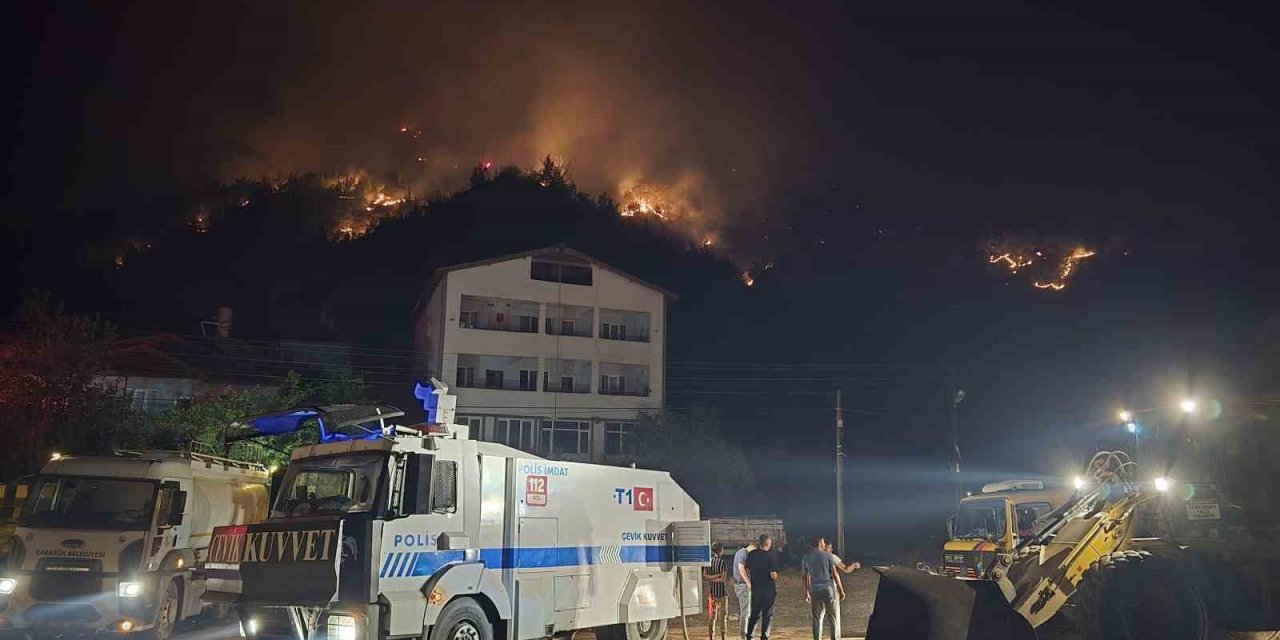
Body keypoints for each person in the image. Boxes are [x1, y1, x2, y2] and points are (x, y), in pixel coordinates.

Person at [803, 536, 844, 640]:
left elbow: (805, 576)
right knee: (832, 617)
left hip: (815, 590)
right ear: (820, 543)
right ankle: (834, 638)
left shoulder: (807, 557)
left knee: (817, 618)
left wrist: (807, 592)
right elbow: (835, 574)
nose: (824, 544)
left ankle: (817, 638)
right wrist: (841, 590)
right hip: (828, 589)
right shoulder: (828, 555)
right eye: (823, 543)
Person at [745, 534, 780, 640]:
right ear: (767, 543)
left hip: (756, 589)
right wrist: (776, 575)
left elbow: (747, 569)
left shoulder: (751, 554)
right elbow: (773, 575)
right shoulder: (771, 556)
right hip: (768, 590)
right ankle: (764, 636)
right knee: (767, 615)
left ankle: (750, 635)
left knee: (754, 614)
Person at [704, 543, 729, 640]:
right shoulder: (723, 563)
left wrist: (711, 578)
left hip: (712, 593)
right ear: (721, 550)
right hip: (722, 592)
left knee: (712, 617)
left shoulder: (709, 561)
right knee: (723, 617)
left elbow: (705, 576)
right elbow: (722, 579)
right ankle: (723, 637)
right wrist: (717, 576)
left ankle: (711, 637)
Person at [732, 540, 756, 639]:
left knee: (746, 611)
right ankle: (744, 636)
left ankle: (746, 634)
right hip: (742, 585)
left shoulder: (741, 553)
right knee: (746, 612)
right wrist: (748, 583)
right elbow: (741, 569)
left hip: (741, 584)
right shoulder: (743, 553)